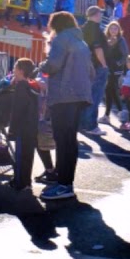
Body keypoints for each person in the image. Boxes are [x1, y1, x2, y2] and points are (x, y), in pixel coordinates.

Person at [38, 11, 93, 201]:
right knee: (70, 141)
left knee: (62, 141)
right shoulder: (81, 42)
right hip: (80, 96)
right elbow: (91, 72)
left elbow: (53, 65)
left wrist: (41, 67)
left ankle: (63, 184)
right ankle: (66, 182)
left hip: (63, 95)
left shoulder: (61, 40)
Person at [7, 58, 40, 191]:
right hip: (32, 125)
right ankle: (26, 181)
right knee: (28, 155)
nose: (13, 70)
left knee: (20, 156)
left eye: (15, 68)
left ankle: (20, 181)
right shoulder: (33, 85)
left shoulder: (21, 86)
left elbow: (17, 110)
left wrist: (12, 129)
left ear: (20, 70)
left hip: (22, 126)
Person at [80, 6, 110, 135]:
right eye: (99, 13)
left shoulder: (83, 28)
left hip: (85, 65)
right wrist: (104, 65)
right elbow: (98, 49)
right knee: (95, 96)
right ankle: (91, 125)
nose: (101, 16)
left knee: (86, 96)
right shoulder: (96, 30)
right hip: (97, 66)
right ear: (96, 14)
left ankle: (82, 124)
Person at [102, 21, 129, 122]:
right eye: (111, 28)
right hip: (107, 68)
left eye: (115, 28)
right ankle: (108, 114)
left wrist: (118, 63)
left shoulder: (121, 40)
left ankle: (119, 112)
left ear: (119, 30)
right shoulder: (105, 39)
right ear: (108, 29)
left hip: (116, 70)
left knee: (111, 90)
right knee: (109, 91)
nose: (113, 30)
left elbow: (125, 54)